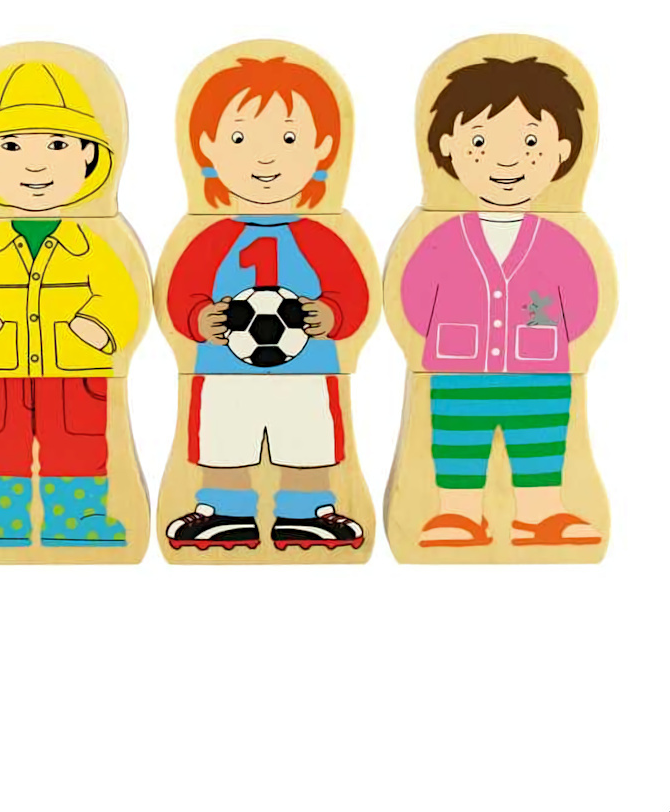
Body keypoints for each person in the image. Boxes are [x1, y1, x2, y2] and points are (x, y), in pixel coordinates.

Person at [164, 57, 369, 551]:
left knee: (308, 441)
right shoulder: (209, 236)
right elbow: (179, 294)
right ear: (206, 148)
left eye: (289, 139)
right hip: (222, 370)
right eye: (239, 139)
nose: (265, 158)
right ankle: (225, 511)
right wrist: (199, 318)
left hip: (308, 369)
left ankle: (306, 512)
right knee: (223, 441)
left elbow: (354, 293)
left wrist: (332, 314)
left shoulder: (323, 236)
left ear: (324, 148)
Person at [0, 61, 139, 547]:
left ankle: (79, 520)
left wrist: (102, 329)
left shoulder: (96, 244)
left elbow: (123, 299)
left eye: (57, 146)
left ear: (89, 154)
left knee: (79, 444)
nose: (35, 165)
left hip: (76, 369)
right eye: (10, 146)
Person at [402, 56, 601, 547]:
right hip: (457, 370)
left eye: (531, 143)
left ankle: (540, 513)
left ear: (563, 150)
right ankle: (457, 514)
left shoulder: (562, 241)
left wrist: (551, 341)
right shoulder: (440, 237)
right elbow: (412, 299)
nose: (507, 161)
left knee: (540, 446)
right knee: (457, 444)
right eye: (479, 143)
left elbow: (584, 305)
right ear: (447, 146)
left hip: (540, 372)